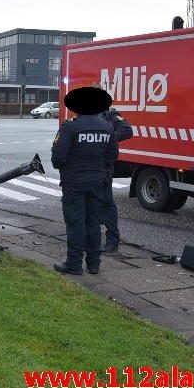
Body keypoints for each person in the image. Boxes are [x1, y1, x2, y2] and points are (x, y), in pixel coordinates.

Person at [51, 87, 118, 275]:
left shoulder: (70, 127)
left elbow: (58, 157)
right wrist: (101, 171)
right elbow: (112, 155)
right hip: (97, 182)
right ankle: (94, 264)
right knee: (93, 223)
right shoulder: (107, 127)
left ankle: (74, 264)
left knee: (75, 222)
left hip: (74, 183)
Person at [99, 107, 133, 253]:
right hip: (88, 167)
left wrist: (108, 138)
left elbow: (127, 130)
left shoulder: (109, 114)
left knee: (107, 204)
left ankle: (112, 240)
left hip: (103, 167)